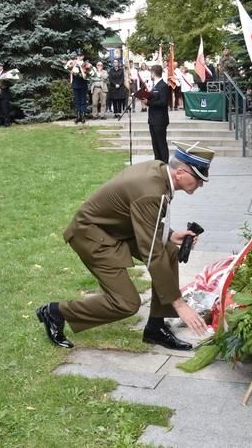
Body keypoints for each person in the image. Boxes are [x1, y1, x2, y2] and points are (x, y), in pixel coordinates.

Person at [36, 142, 215, 350]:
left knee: (169, 251)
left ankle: (155, 328)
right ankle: (55, 312)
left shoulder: (159, 173)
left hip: (115, 230)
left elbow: (145, 219)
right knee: (126, 303)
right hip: (91, 236)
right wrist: (179, 303)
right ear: (181, 172)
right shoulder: (151, 190)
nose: (201, 185)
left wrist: (171, 235)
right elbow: (151, 253)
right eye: (199, 179)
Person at [143, 65, 170, 162]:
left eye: (151, 72)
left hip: (160, 120)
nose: (151, 74)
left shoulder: (163, 85)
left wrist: (149, 102)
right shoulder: (154, 85)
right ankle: (157, 163)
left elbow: (163, 102)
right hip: (153, 119)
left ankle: (164, 164)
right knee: (155, 144)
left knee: (161, 143)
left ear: (153, 73)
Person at [66, 51, 89, 124]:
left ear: (83, 57)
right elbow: (69, 70)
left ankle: (83, 116)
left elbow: (87, 74)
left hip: (83, 84)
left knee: (83, 100)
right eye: (78, 56)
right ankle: (78, 116)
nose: (79, 57)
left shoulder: (86, 64)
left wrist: (84, 72)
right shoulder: (73, 63)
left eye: (80, 56)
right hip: (76, 84)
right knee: (77, 101)